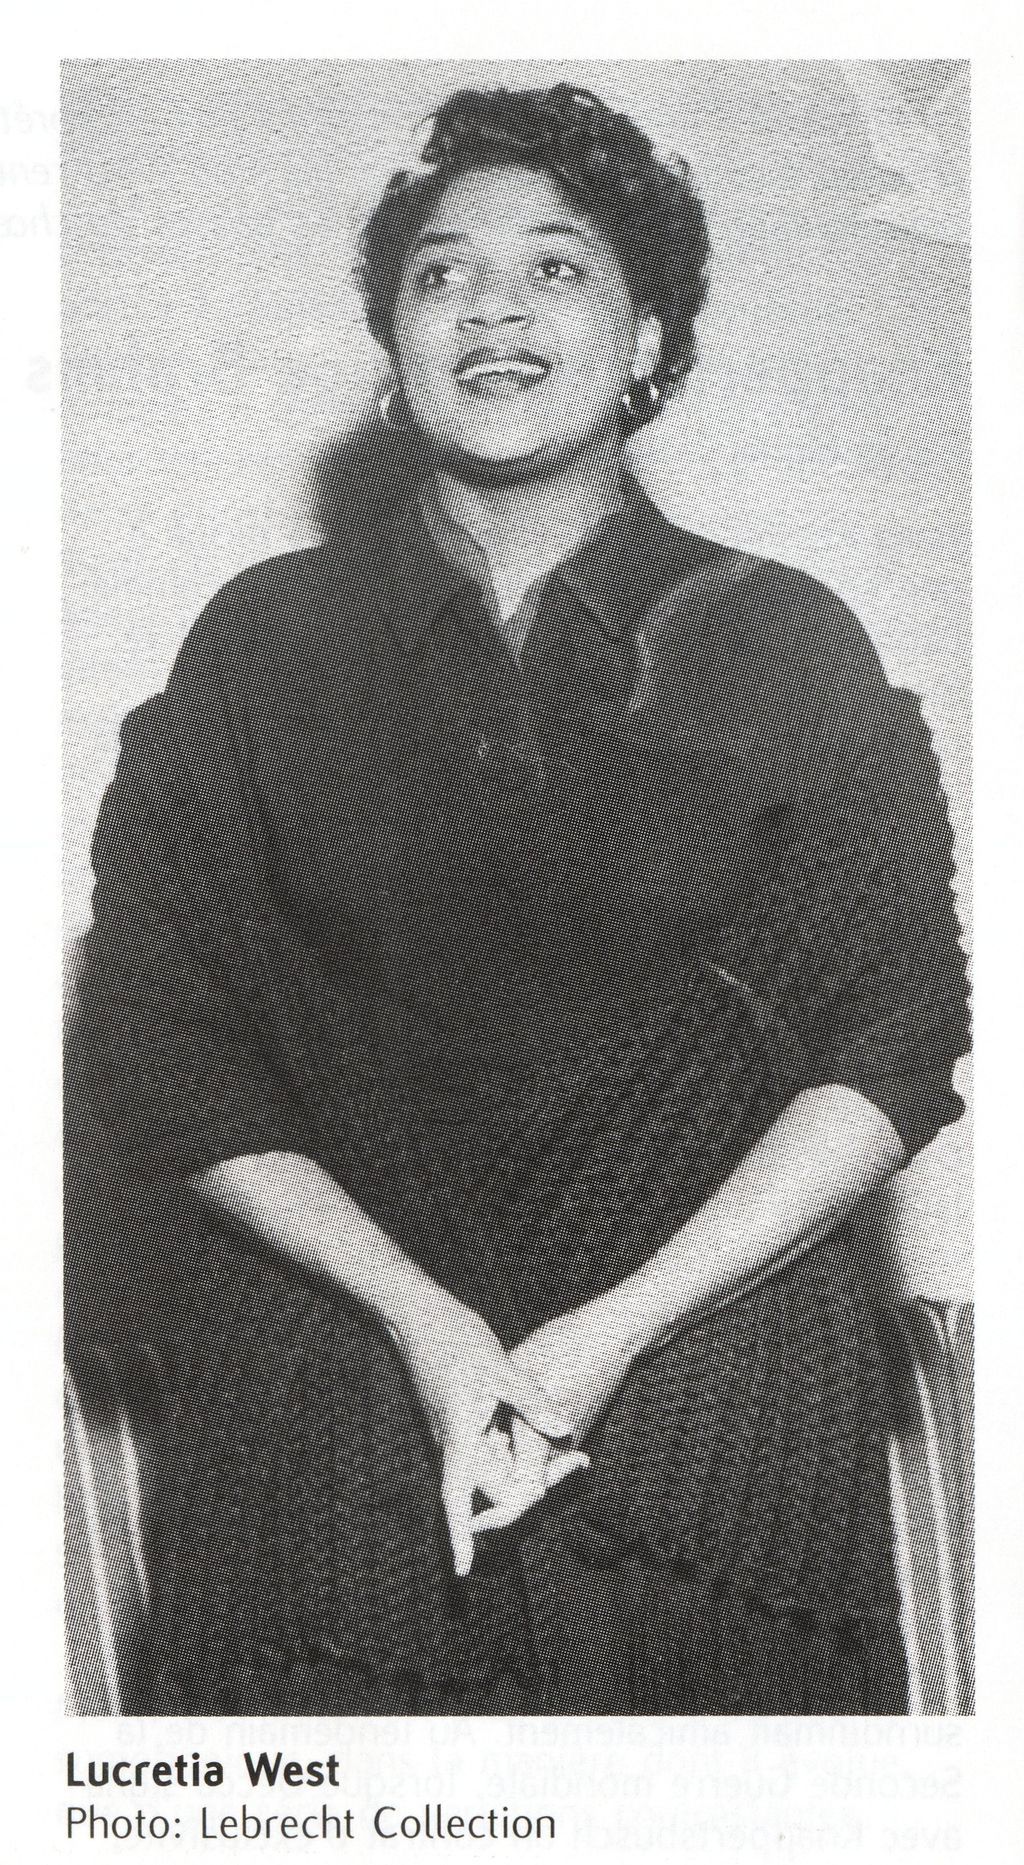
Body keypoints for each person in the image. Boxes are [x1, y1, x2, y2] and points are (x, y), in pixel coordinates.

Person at [71, 82, 971, 1715]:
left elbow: (892, 1044)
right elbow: (161, 1035)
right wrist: (425, 1322)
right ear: (395, 342)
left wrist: (612, 1330)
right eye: (441, 273)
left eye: (557, 266)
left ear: (648, 341)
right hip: (328, 1396)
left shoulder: (789, 642)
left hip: (713, 1399)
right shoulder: (262, 646)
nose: (490, 305)